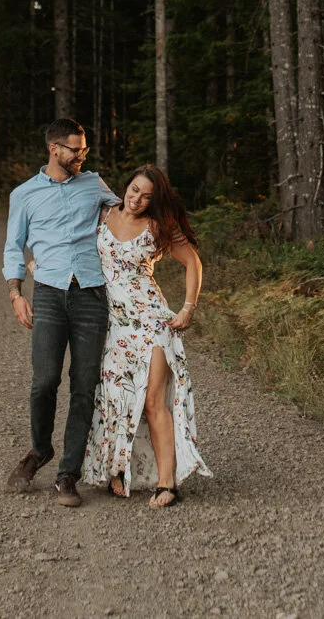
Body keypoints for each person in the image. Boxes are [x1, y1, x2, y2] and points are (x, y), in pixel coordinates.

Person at [2, 117, 120, 507]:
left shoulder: (95, 184)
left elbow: (125, 218)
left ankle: (68, 474)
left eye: (85, 149)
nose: (82, 156)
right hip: (50, 293)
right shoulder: (24, 194)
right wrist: (17, 294)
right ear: (54, 149)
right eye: (75, 150)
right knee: (44, 381)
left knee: (85, 385)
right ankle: (40, 450)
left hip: (91, 295)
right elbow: (12, 246)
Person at [82, 164, 210, 509]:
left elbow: (193, 263)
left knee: (154, 401)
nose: (137, 199)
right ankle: (119, 471)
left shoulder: (158, 225)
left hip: (151, 322)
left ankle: (166, 484)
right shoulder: (102, 213)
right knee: (115, 399)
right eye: (134, 190)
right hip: (112, 325)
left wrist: (187, 308)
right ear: (126, 186)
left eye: (147, 196)